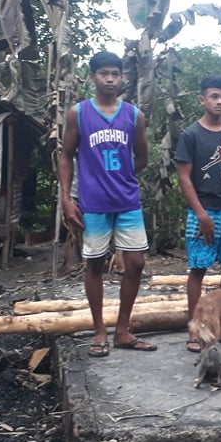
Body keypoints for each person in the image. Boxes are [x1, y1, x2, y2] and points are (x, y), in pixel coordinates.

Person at [58, 51, 156, 357]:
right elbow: (66, 155)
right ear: (93, 77)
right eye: (104, 74)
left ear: (122, 77)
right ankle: (100, 330)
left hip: (127, 200)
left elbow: (142, 157)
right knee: (95, 264)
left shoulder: (134, 115)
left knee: (136, 263)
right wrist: (66, 198)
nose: (110, 79)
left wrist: (121, 177)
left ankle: (123, 330)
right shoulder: (78, 114)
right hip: (93, 203)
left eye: (115, 74)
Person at [175, 75, 221, 353]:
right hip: (202, 210)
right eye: (214, 96)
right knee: (198, 269)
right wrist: (201, 214)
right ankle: (196, 329)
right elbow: (184, 177)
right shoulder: (190, 135)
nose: (219, 101)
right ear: (203, 99)